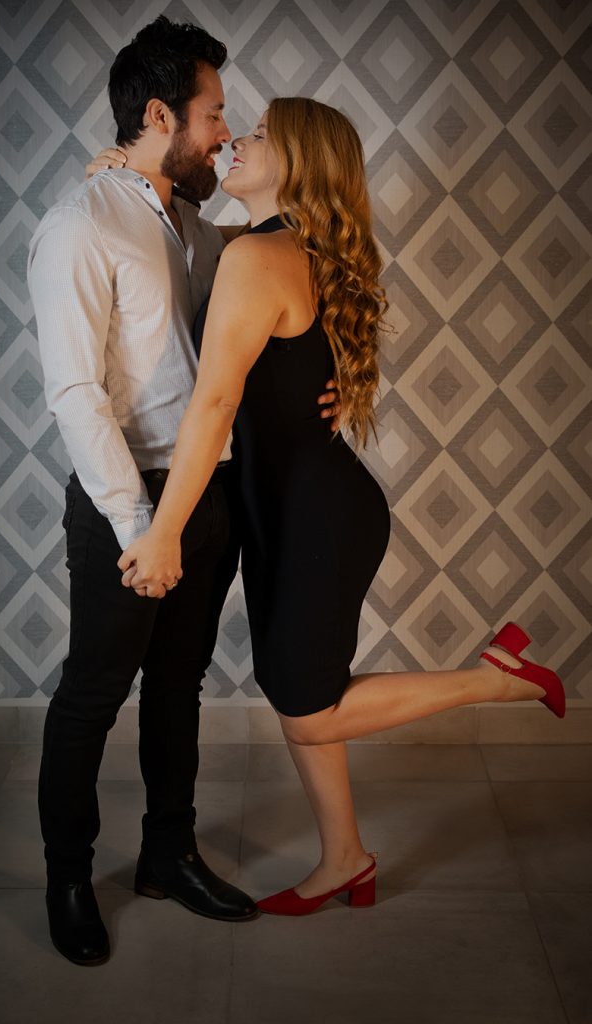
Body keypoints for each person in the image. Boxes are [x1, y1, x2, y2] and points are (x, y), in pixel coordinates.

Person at [115, 97, 567, 917]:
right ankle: (345, 859)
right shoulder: (280, 246)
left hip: (313, 520)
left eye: (260, 135)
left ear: (298, 164)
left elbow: (214, 403)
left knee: (307, 707)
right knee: (300, 691)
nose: (238, 140)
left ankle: (496, 681)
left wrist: (163, 531)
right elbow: (192, 247)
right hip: (294, 510)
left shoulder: (260, 257)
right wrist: (126, 175)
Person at [27, 17, 338, 965]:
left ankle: (169, 854)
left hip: (211, 492)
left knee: (179, 686)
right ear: (160, 115)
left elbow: (286, 286)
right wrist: (142, 524)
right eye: (212, 114)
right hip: (128, 503)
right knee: (93, 693)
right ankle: (69, 878)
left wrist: (328, 384)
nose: (223, 132)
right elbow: (74, 393)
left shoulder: (203, 230)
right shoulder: (80, 224)